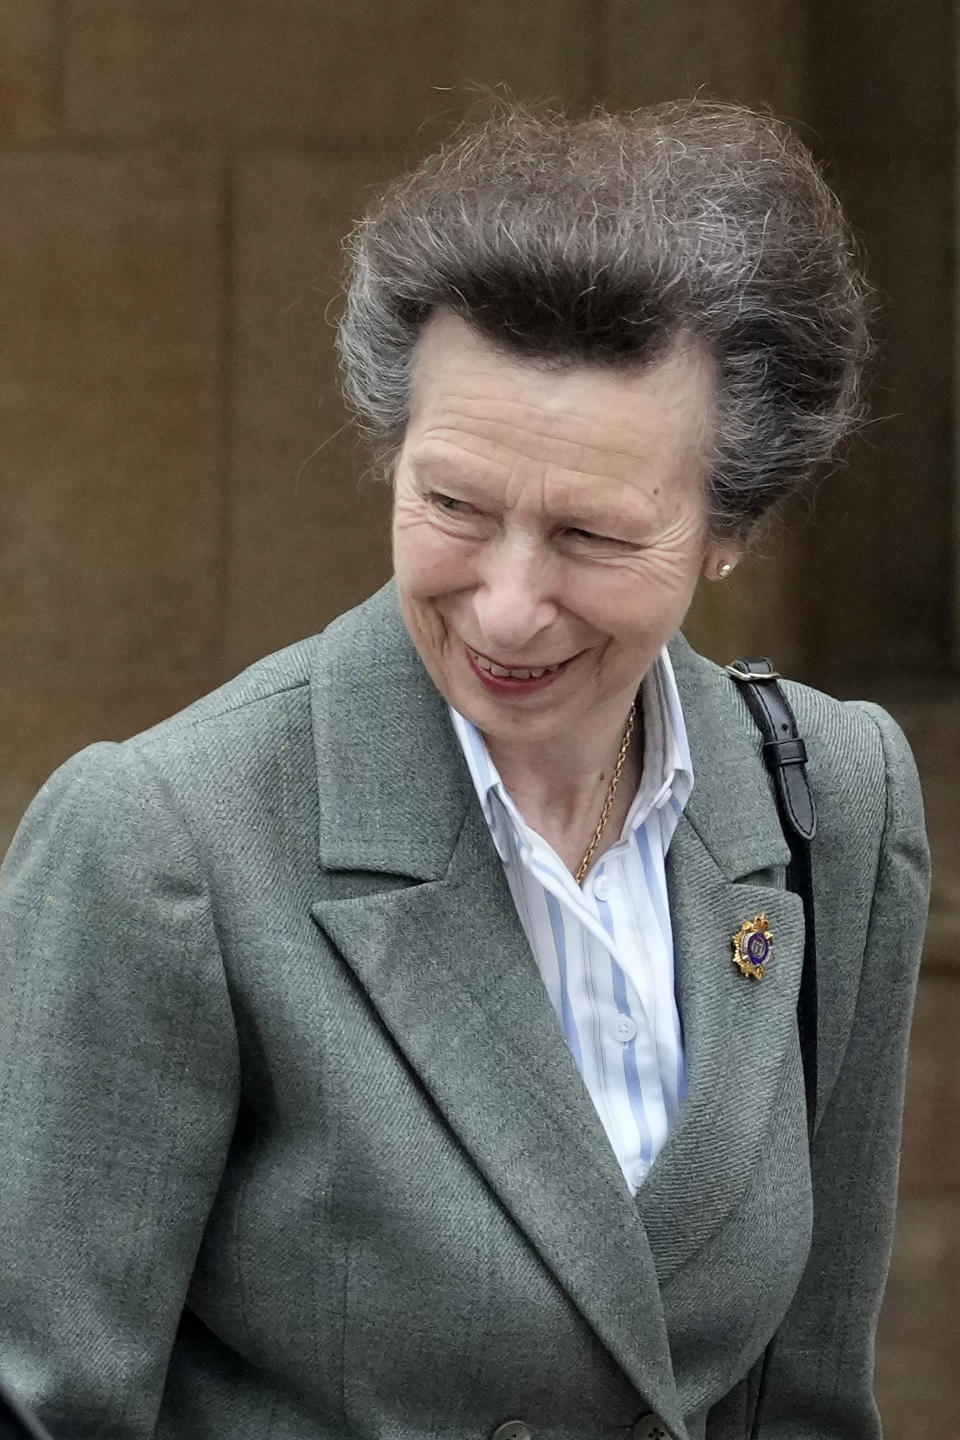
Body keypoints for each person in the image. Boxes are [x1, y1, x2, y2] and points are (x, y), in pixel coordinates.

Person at [0, 101, 929, 1440]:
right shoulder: (161, 844)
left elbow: (810, 1397)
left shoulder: (834, 800)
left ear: (731, 528)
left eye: (593, 535)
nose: (505, 605)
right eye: (453, 506)